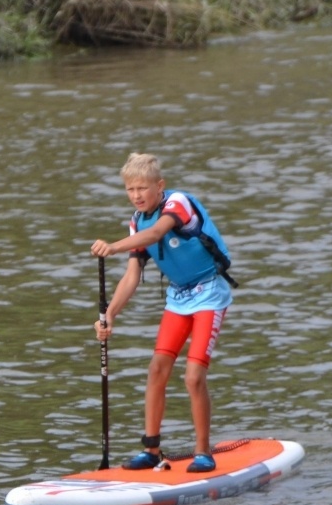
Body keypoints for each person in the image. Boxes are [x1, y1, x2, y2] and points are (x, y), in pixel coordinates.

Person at [91, 153, 234, 473]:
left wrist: (113, 246)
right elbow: (132, 277)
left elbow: (157, 234)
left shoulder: (178, 203)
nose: (137, 195)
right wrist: (110, 314)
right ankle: (152, 449)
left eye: (142, 188)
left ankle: (203, 452)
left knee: (194, 377)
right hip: (179, 298)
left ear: (160, 186)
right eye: (130, 190)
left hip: (210, 294)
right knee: (157, 368)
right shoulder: (135, 222)